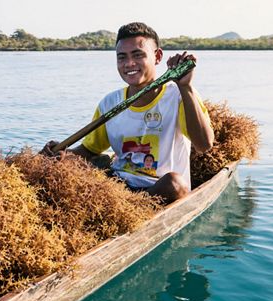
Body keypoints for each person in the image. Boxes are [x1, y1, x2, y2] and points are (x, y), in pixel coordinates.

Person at [42, 22, 214, 203]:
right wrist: (61, 152)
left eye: (138, 55)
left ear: (157, 56)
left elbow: (204, 144)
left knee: (175, 183)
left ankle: (132, 208)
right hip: (118, 185)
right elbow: (89, 149)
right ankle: (121, 205)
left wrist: (185, 86)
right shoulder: (109, 103)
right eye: (122, 57)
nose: (129, 63)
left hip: (159, 190)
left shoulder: (178, 96)